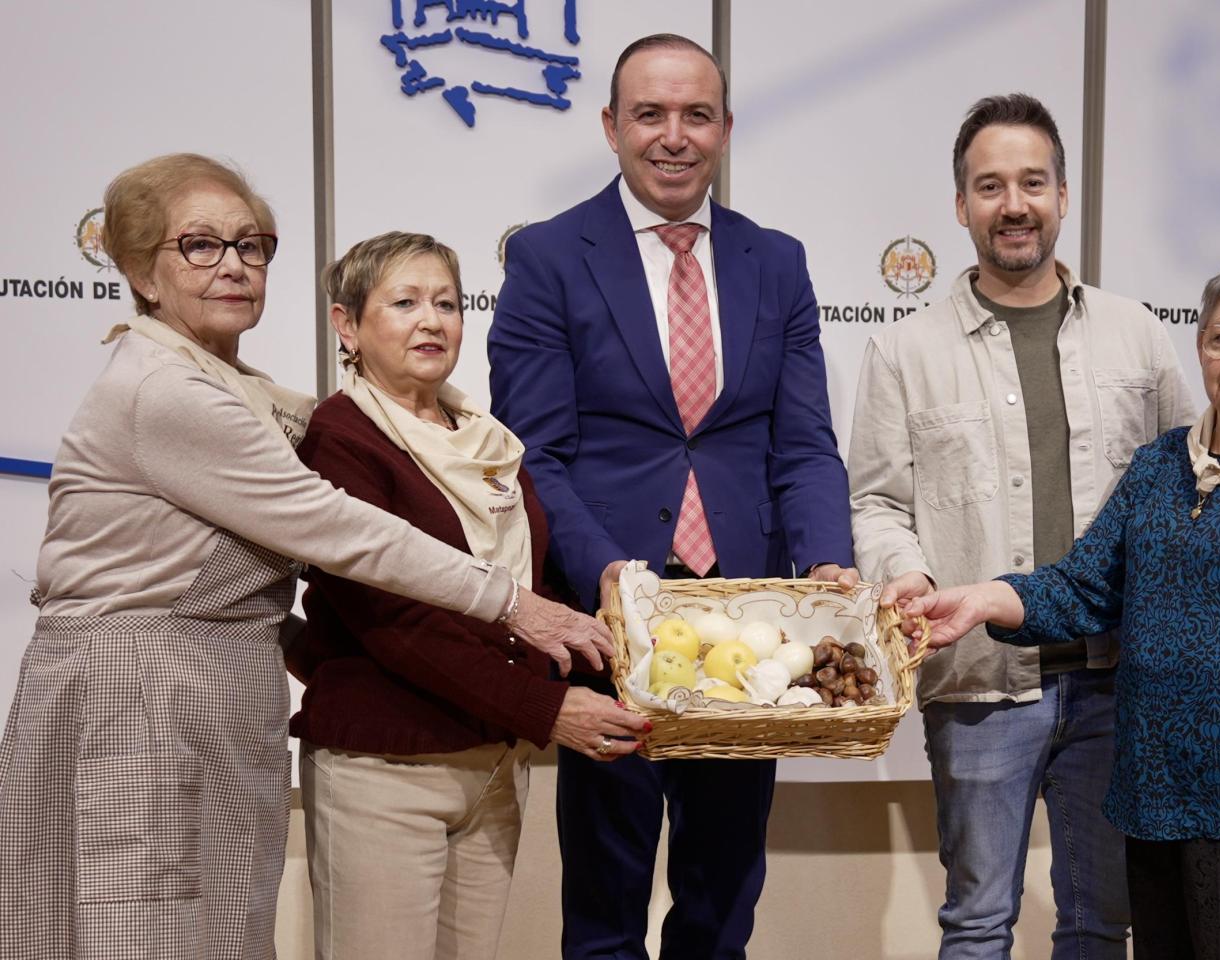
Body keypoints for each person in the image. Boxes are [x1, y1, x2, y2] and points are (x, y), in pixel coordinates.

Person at [0, 154, 612, 959]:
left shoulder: (234, 384)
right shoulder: (165, 389)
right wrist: (516, 605)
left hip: (216, 687)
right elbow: (342, 529)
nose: (234, 266)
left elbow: (314, 436)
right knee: (136, 927)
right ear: (144, 272)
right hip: (137, 696)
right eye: (201, 246)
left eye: (253, 246)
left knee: (211, 931)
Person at [902, 245, 1220, 960]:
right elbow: (1084, 588)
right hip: (1154, 794)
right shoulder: (1162, 465)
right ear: (1200, 344)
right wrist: (984, 599)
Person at [488, 34, 855, 960]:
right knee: (605, 904)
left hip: (753, 625)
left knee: (722, 903)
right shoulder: (547, 257)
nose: (674, 136)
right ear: (611, 127)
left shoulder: (778, 260)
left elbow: (804, 442)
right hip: (613, 624)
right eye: (650, 114)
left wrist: (824, 567)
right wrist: (608, 572)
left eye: (697, 114)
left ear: (726, 129)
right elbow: (534, 453)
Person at [850, 93, 1193, 958]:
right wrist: (910, 575)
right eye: (990, 185)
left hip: (1117, 680)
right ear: (961, 206)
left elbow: (1199, 480)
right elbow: (879, 502)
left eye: (1032, 182)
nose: (1015, 205)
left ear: (1064, 196)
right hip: (977, 682)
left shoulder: (1139, 337)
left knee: (1098, 924)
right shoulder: (905, 349)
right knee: (975, 923)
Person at [290, 232, 648, 959]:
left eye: (447, 303)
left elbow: (533, 596)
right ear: (347, 325)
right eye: (405, 302)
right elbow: (392, 621)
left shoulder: (490, 441)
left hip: (492, 764)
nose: (432, 320)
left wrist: (647, 667)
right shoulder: (342, 439)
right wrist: (548, 710)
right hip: (386, 768)